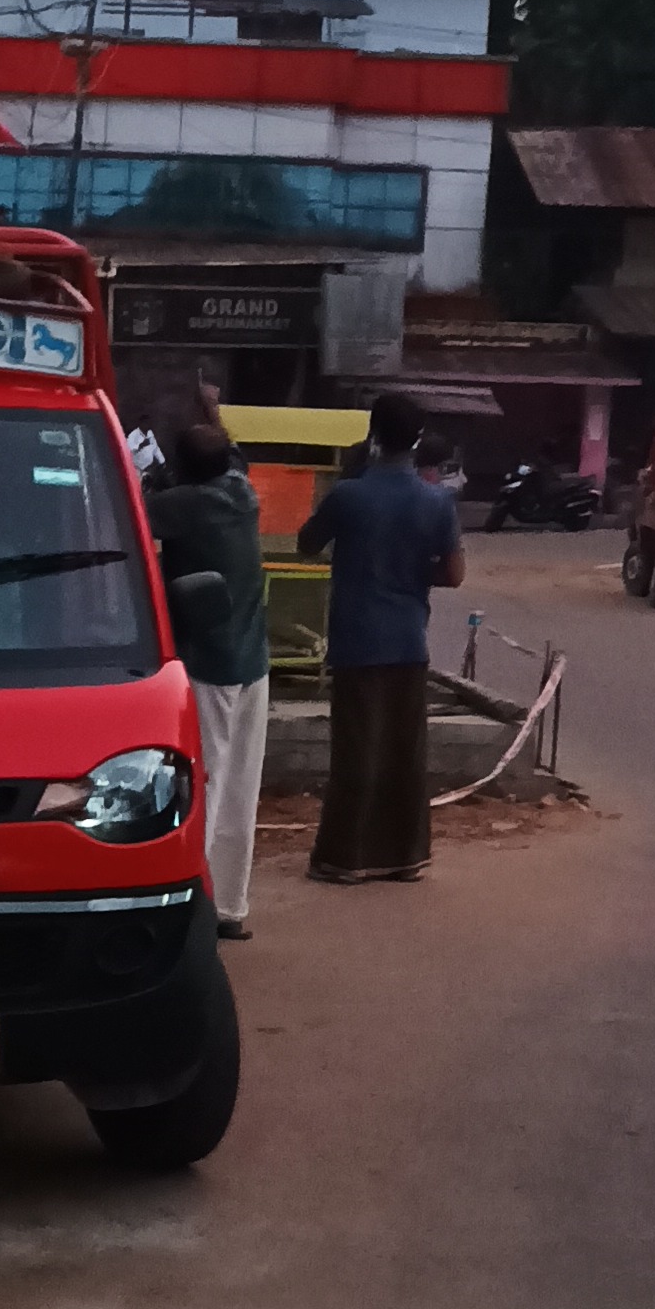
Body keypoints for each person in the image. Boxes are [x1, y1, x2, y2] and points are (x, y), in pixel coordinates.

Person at [296, 392, 464, 884]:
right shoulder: (437, 501)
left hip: (356, 639)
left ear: (372, 436)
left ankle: (345, 859)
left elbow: (307, 545)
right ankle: (405, 856)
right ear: (417, 440)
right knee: (404, 750)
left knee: (355, 749)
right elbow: (454, 574)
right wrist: (412, 571)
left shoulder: (349, 495)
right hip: (409, 639)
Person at [147, 423, 270, 941]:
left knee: (205, 785)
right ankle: (230, 906)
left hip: (208, 663)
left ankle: (193, 908)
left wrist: (150, 477)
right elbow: (231, 455)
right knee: (241, 788)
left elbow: (131, 510)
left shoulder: (188, 504)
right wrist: (212, 415)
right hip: (252, 661)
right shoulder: (242, 491)